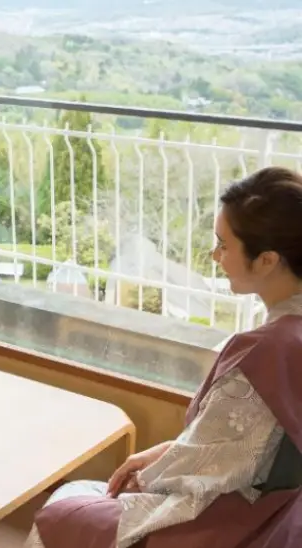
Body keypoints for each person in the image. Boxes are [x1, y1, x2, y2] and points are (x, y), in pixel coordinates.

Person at [25, 166, 302, 548]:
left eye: (223, 245)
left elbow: (216, 468)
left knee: (65, 508)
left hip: (234, 520)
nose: (214, 255)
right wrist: (170, 450)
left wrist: (150, 474)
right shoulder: (288, 335)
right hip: (280, 513)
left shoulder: (268, 351)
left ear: (267, 260)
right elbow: (251, 449)